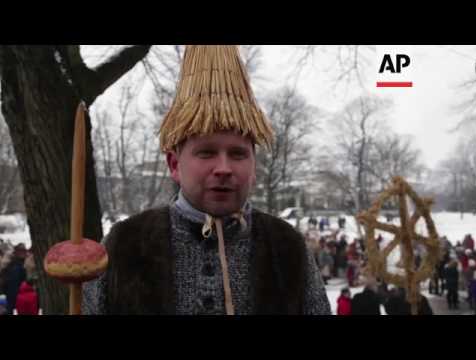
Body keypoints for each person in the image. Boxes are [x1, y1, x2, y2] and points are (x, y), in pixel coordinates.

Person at [82, 45, 331, 315]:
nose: (223, 168)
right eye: (207, 153)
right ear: (174, 164)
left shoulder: (287, 247)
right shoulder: (125, 245)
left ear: (254, 165)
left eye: (237, 154)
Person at [2, 244, 27, 315]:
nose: (24, 253)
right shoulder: (16, 266)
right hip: (15, 297)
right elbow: (13, 285)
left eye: (24, 251)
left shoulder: (19, 264)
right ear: (16, 252)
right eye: (21, 251)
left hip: (15, 297)